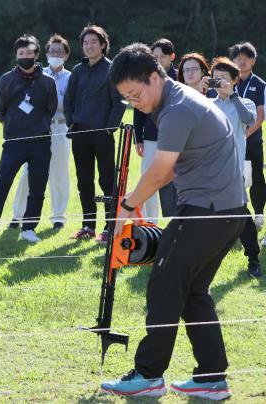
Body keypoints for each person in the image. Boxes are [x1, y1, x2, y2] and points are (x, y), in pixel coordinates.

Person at [101, 43, 247, 399]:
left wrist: (128, 204)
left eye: (135, 94)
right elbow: (167, 171)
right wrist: (133, 203)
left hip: (205, 211)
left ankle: (149, 375)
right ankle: (212, 377)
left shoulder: (177, 109)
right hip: (226, 213)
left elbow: (162, 170)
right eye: (127, 99)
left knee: (164, 284)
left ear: (155, 77)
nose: (134, 103)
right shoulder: (173, 101)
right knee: (193, 292)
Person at [0, 35, 57, 245]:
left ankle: (29, 228)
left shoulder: (47, 82)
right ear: (16, 56)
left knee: (37, 187)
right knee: (1, 185)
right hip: (14, 142)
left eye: (29, 53)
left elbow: (51, 109)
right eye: (21, 54)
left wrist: (38, 125)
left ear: (36, 55)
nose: (25, 57)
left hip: (41, 142)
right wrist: (12, 125)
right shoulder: (6, 80)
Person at [64, 25, 126, 242]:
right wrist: (71, 122)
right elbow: (68, 100)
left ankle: (110, 227)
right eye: (85, 43)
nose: (89, 46)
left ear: (102, 45)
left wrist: (109, 128)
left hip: (103, 134)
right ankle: (88, 226)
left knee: (107, 180)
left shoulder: (111, 70)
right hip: (80, 134)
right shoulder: (77, 71)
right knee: (84, 181)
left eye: (93, 42)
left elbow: (119, 103)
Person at [12, 34, 72, 231]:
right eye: (52, 51)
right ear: (45, 54)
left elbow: (68, 105)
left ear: (66, 55)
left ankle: (58, 217)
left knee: (59, 173)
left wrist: (53, 102)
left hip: (61, 127)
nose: (56, 54)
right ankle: (18, 215)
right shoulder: (37, 74)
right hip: (38, 127)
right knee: (28, 172)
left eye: (59, 51)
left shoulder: (71, 77)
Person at [210, 57, 261, 277]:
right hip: (208, 172)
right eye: (215, 78)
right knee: (206, 217)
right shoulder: (207, 105)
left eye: (223, 78)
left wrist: (233, 95)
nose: (219, 82)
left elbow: (249, 119)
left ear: (234, 80)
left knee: (241, 215)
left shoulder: (245, 102)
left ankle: (253, 258)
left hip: (233, 171)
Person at [133, 38, 178, 222]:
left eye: (163, 56)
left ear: (172, 56)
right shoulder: (146, 78)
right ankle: (150, 222)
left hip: (175, 139)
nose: (159, 60)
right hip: (150, 138)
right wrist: (139, 138)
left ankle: (174, 221)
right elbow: (137, 110)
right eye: (155, 56)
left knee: (174, 182)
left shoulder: (180, 77)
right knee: (148, 180)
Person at [229, 42, 266, 232]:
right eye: (238, 57)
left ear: (253, 60)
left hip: (251, 141)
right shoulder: (227, 82)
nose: (241, 61)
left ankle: (259, 213)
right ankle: (238, 218)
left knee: (257, 179)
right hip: (229, 142)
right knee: (236, 179)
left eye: (246, 57)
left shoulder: (259, 84)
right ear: (233, 61)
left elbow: (260, 116)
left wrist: (242, 135)